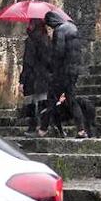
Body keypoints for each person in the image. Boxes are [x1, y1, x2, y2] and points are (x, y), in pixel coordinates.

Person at [42, 9, 88, 138]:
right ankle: (81, 130)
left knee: (52, 99)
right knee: (72, 100)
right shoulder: (73, 27)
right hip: (73, 71)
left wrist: (52, 69)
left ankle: (43, 129)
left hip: (62, 72)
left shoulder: (59, 31)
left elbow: (59, 53)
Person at [19, 19, 52, 132]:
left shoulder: (31, 40)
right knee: (43, 101)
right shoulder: (47, 40)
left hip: (32, 77)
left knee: (31, 102)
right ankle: (43, 127)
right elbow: (50, 60)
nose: (28, 25)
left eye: (31, 23)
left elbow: (28, 62)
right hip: (44, 77)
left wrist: (22, 80)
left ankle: (32, 127)